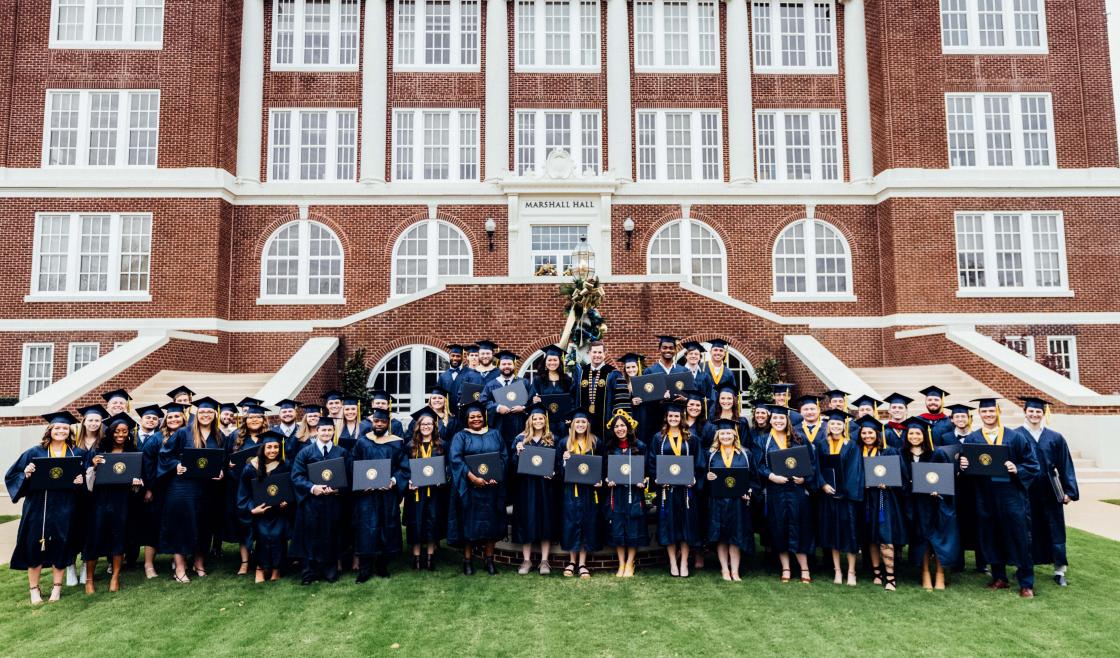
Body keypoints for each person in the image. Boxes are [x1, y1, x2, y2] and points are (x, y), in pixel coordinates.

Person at [960, 397, 1040, 597]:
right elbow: (969, 471)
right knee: (991, 535)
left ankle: (1026, 582)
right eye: (984, 412)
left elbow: (1033, 465)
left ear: (998, 412)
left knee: (1019, 537)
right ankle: (999, 577)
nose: (988, 415)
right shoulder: (972, 439)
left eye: (991, 411)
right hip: (985, 497)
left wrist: (1017, 468)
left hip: (1011, 496)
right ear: (979, 414)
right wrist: (963, 467)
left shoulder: (1015, 437)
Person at [5, 411, 85, 605]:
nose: (61, 431)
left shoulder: (77, 453)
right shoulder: (34, 452)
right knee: (33, 546)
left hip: (65, 507)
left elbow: (81, 483)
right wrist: (26, 473)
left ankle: (57, 588)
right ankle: (34, 589)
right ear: (50, 430)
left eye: (65, 428)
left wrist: (79, 481)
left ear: (69, 431)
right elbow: (12, 475)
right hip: (37, 506)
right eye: (57, 428)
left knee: (61, 544)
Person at [157, 396, 226, 583]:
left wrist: (221, 471)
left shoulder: (219, 436)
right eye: (202, 412)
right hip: (183, 487)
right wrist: (175, 466)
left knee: (204, 526)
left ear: (215, 414)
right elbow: (165, 456)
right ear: (196, 414)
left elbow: (224, 461)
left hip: (207, 488)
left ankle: (199, 563)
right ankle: (179, 568)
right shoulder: (182, 433)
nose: (205, 415)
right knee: (181, 525)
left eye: (209, 412)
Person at [1016, 396, 1079, 587]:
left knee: (1055, 527)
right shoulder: (1015, 435)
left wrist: (1069, 491)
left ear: (1043, 414)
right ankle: (1025, 567)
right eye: (1031, 411)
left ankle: (1059, 571)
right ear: (1025, 412)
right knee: (1026, 529)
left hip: (1050, 489)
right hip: (1025, 490)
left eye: (1038, 412)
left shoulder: (1055, 437)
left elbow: (1065, 464)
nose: (1034, 414)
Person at [83, 413, 144, 594]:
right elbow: (88, 483)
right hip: (99, 500)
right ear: (110, 433)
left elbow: (138, 478)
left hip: (122, 500)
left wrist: (136, 483)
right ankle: (89, 580)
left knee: (119, 537)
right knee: (94, 538)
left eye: (124, 431)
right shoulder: (98, 452)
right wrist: (93, 466)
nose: (120, 435)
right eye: (117, 431)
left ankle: (115, 577)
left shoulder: (133, 453)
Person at [756, 405, 817, 583]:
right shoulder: (764, 440)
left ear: (787, 420)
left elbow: (812, 463)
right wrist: (771, 476)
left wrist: (804, 479)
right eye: (775, 418)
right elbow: (759, 464)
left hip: (797, 491)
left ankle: (804, 569)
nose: (778, 421)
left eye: (781, 418)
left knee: (801, 527)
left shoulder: (799, 438)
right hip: (776, 491)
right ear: (770, 420)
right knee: (779, 527)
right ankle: (786, 568)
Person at [899, 417, 960, 591]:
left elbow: (947, 479)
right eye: (911, 433)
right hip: (915, 504)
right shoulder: (902, 455)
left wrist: (938, 490)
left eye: (918, 433)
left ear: (924, 435)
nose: (914, 436)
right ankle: (925, 572)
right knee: (921, 539)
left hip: (935, 503)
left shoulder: (937, 454)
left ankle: (940, 574)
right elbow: (901, 480)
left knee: (939, 538)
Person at [448, 400, 507, 576]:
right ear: (466, 419)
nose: (476, 419)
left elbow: (504, 457)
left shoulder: (495, 434)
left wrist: (497, 476)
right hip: (470, 489)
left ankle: (489, 560)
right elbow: (456, 459)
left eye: (479, 416)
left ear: (484, 417)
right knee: (469, 525)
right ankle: (467, 561)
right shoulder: (461, 436)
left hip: (491, 488)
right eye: (472, 416)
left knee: (492, 525)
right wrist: (472, 477)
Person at [290, 417, 351, 585]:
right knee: (309, 536)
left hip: (333, 503)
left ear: (333, 431)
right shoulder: (306, 452)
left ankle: (329, 570)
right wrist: (312, 488)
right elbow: (296, 476)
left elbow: (350, 476)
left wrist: (339, 489)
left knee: (330, 535)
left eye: (329, 430)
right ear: (316, 430)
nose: (326, 433)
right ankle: (308, 572)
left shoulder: (341, 452)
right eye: (323, 430)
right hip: (312, 502)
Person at [351, 408, 409, 581]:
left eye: (382, 422)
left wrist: (392, 481)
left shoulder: (397, 443)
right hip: (367, 495)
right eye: (376, 421)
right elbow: (354, 464)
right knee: (366, 529)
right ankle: (365, 569)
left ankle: (382, 565)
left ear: (387, 423)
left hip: (387, 494)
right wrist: (362, 484)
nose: (379, 424)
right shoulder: (362, 442)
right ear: (372, 422)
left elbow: (404, 468)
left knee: (386, 527)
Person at [647, 403, 700, 577]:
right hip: (667, 491)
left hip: (685, 492)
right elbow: (652, 461)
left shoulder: (691, 438)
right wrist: (658, 479)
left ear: (681, 417)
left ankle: (684, 562)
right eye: (671, 416)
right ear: (666, 418)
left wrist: (694, 479)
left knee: (685, 525)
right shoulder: (658, 438)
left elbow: (699, 462)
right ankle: (672, 563)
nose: (674, 419)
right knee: (669, 526)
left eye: (676, 416)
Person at [854, 415, 906, 591]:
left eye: (870, 433)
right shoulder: (857, 452)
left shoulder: (889, 451)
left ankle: (890, 577)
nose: (867, 436)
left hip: (884, 500)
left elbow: (902, 476)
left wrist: (889, 483)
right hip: (865, 500)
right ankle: (877, 573)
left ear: (877, 434)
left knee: (885, 537)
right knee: (871, 538)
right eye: (864, 433)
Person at [700, 418, 755, 582]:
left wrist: (749, 490)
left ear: (734, 435)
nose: (725, 436)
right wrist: (707, 476)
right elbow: (701, 477)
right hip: (717, 502)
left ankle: (735, 571)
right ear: (717, 435)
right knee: (721, 537)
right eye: (722, 433)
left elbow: (753, 479)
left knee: (736, 537)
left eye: (728, 433)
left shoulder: (746, 454)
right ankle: (724, 569)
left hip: (738, 503)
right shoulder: (710, 454)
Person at [934, 402, 986, 573]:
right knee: (957, 522)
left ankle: (982, 563)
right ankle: (958, 562)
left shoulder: (977, 437)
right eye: (957, 416)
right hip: (954, 486)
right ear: (951, 419)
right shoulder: (946, 438)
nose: (961, 419)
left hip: (974, 486)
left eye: (963, 416)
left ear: (969, 418)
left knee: (978, 522)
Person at [510, 406, 560, 575]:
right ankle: (526, 560)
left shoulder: (553, 439)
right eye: (535, 418)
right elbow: (512, 466)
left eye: (541, 418)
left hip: (546, 487)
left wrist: (554, 473)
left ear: (545, 420)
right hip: (526, 486)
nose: (538, 421)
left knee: (545, 520)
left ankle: (544, 561)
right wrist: (517, 453)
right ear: (529, 420)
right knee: (527, 520)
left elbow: (558, 465)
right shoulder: (520, 439)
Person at [236, 431, 290, 583]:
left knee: (278, 536)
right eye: (269, 447)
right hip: (259, 511)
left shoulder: (284, 465)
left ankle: (276, 570)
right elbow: (243, 493)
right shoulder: (250, 468)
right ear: (262, 448)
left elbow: (289, 488)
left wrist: (287, 502)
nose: (273, 450)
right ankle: (259, 568)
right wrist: (252, 509)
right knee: (263, 536)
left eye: (276, 447)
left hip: (278, 511)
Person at [816, 409, 862, 586]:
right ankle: (837, 571)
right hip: (827, 495)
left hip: (846, 498)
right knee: (833, 533)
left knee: (849, 534)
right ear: (828, 425)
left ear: (844, 426)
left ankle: (851, 572)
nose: (835, 426)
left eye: (839, 424)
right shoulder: (822, 444)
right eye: (833, 423)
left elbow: (854, 471)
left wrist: (844, 492)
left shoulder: (851, 445)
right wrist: (822, 484)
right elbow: (816, 467)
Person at [404, 407, 450, 571]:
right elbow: (405, 467)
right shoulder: (410, 446)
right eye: (423, 424)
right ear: (418, 426)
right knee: (416, 523)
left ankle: (430, 558)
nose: (426, 426)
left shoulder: (441, 445)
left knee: (432, 522)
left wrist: (442, 478)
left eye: (429, 423)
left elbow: (448, 466)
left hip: (435, 493)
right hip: (416, 492)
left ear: (434, 426)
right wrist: (408, 480)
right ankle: (416, 558)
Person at [558, 411, 602, 579]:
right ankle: (571, 561)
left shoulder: (596, 442)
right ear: (572, 424)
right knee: (571, 524)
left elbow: (602, 464)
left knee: (587, 523)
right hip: (571, 490)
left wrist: (600, 481)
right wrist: (564, 460)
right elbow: (557, 470)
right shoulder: (564, 443)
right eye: (577, 422)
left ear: (588, 424)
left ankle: (583, 563)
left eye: (583, 422)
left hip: (590, 491)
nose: (581, 425)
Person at [603, 411, 648, 578]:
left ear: (628, 427)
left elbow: (646, 470)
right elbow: (604, 471)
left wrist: (642, 481)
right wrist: (608, 479)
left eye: (622, 425)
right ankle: (621, 563)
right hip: (616, 494)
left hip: (634, 494)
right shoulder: (609, 447)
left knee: (633, 527)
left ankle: (630, 562)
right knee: (618, 527)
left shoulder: (640, 446)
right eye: (616, 426)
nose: (619, 429)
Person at [225, 404, 268, 575]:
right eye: (251, 417)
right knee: (243, 522)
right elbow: (226, 459)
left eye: (258, 417)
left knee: (264, 522)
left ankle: (261, 560)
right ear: (245, 419)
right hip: (240, 487)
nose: (254, 420)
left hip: (263, 486)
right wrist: (229, 465)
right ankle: (244, 561)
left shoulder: (269, 438)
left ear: (264, 420)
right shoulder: (236, 437)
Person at [68, 403, 107, 586]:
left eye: (97, 420)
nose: (93, 423)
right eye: (90, 420)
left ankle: (86, 565)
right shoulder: (73, 443)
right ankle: (69, 566)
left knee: (91, 530)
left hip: (95, 493)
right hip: (74, 493)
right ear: (84, 422)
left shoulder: (104, 442)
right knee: (72, 529)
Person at [135, 403, 168, 579]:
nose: (151, 420)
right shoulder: (130, 436)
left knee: (152, 524)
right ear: (141, 419)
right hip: (131, 488)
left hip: (153, 488)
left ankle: (149, 563)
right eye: (148, 417)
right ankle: (128, 559)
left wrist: (149, 488)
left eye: (155, 418)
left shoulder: (161, 438)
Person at [481, 350, 528, 451]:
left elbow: (533, 401)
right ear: (499, 366)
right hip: (499, 427)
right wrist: (497, 408)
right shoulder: (491, 384)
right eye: (504, 364)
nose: (506, 366)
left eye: (509, 364)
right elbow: (483, 402)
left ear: (514, 365)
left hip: (519, 427)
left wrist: (523, 408)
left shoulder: (523, 382)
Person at [572, 340, 616, 439]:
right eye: (594, 352)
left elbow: (617, 399)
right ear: (589, 353)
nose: (597, 355)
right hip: (583, 422)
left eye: (600, 352)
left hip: (606, 420)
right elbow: (573, 395)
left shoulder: (613, 373)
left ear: (605, 354)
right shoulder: (581, 372)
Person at [531, 344, 576, 435]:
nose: (552, 363)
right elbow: (531, 398)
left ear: (560, 361)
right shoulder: (538, 380)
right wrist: (534, 400)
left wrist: (570, 417)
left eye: (555, 360)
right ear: (545, 362)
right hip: (545, 423)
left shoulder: (567, 380)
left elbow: (572, 400)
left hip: (563, 423)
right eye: (549, 360)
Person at [608, 353, 647, 442]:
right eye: (628, 367)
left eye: (633, 367)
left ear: (638, 367)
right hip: (628, 417)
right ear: (625, 369)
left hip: (642, 416)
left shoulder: (644, 382)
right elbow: (618, 404)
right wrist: (631, 403)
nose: (631, 370)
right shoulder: (621, 383)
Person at [696, 338, 738, 410]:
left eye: (721, 350)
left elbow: (733, 394)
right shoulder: (701, 367)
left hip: (722, 409)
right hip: (704, 409)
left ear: (725, 353)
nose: (718, 353)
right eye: (715, 350)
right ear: (710, 352)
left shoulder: (729, 373)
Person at [437, 344, 467, 413]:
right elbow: (439, 395)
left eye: (458, 356)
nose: (455, 358)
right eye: (453, 355)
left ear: (463, 357)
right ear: (449, 356)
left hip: (464, 413)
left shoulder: (470, 373)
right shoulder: (443, 376)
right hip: (448, 413)